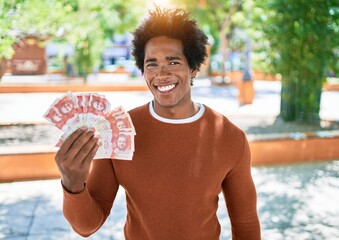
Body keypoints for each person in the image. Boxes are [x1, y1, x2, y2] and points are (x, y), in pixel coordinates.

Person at [55, 7, 261, 239]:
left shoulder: (230, 138)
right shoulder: (116, 131)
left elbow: (246, 225)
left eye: (173, 63)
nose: (161, 74)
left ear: (193, 68)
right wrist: (72, 184)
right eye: (151, 64)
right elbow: (87, 226)